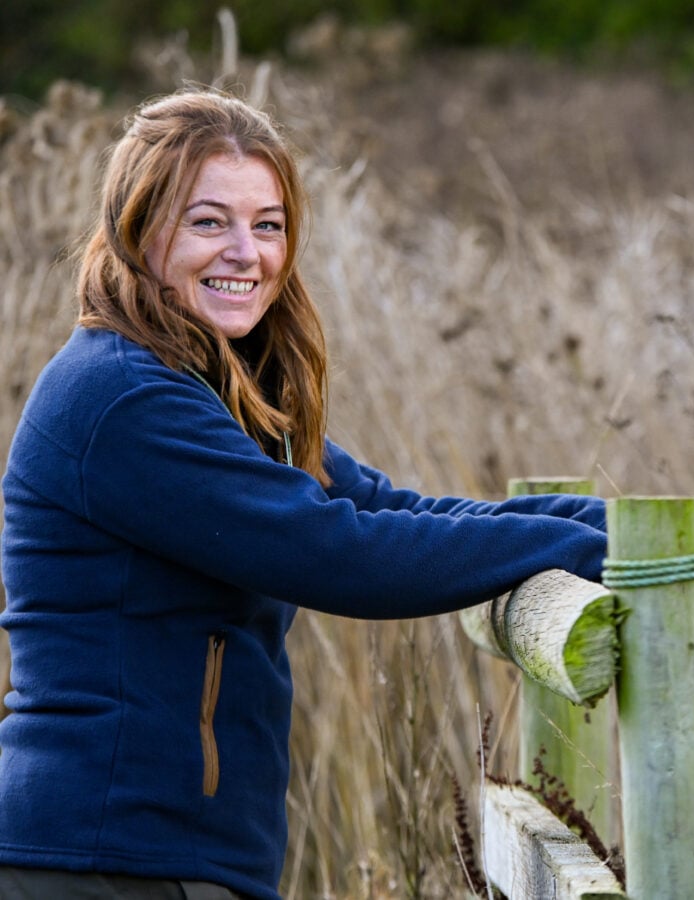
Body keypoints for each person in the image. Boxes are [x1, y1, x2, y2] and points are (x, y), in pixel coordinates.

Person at [0, 88, 607, 899]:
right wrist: (589, 543)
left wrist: (615, 530)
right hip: (103, 860)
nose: (246, 252)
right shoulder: (123, 400)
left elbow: (386, 511)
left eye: (269, 224)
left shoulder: (215, 391)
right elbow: (340, 554)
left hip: (164, 858)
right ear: (138, 227)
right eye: (208, 221)